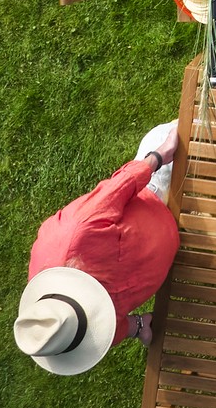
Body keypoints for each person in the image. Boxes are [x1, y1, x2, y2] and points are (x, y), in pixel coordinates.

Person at [14, 122, 181, 375]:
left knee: (195, 130)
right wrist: (137, 326)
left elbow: (119, 188)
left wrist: (159, 155)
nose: (95, 332)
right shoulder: (78, 333)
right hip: (178, 246)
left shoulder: (75, 234)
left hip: (157, 195)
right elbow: (108, 330)